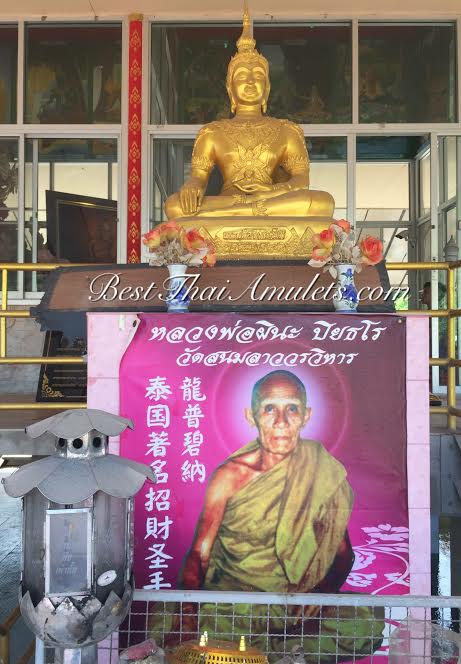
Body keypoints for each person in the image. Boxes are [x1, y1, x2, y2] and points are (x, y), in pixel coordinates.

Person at [172, 370, 384, 661]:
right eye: (269, 408)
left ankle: (264, 652)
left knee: (364, 621)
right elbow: (199, 555)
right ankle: (282, 652)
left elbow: (343, 555)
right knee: (176, 620)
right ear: (251, 416)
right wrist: (187, 618)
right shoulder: (230, 476)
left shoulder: (321, 471)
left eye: (292, 409)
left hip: (291, 607)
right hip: (235, 606)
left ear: (306, 416)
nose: (281, 421)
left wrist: (318, 596)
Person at [164, 5, 334, 221]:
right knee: (175, 205)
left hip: (269, 199)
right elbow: (199, 177)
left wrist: (271, 191)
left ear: (267, 87)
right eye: (243, 76)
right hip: (231, 200)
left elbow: (301, 180)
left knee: (322, 202)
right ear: (230, 88)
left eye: (258, 76)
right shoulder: (212, 132)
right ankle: (247, 210)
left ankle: (241, 212)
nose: (251, 82)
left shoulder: (286, 130)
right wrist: (192, 186)